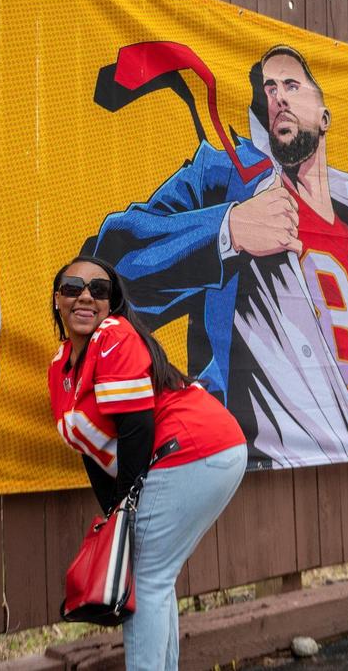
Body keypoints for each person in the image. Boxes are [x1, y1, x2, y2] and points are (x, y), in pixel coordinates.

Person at [91, 45, 348, 467]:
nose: (278, 97)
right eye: (268, 89)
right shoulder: (225, 176)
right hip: (272, 469)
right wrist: (227, 229)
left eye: (292, 85)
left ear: (325, 116)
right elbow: (109, 266)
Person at [48, 256, 247, 671]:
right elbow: (91, 451)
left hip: (193, 449)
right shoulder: (59, 367)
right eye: (72, 287)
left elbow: (136, 428)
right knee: (155, 579)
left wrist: (125, 504)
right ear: (57, 299)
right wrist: (115, 516)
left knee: (143, 581)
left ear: (112, 304)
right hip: (198, 453)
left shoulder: (114, 335)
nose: (85, 296)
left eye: (99, 290)